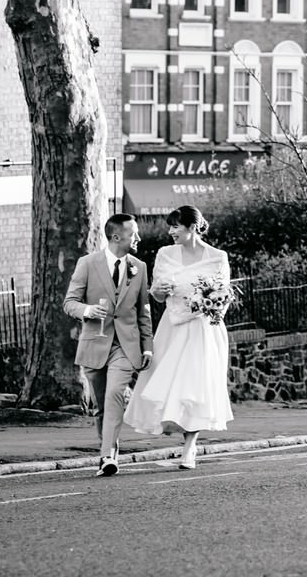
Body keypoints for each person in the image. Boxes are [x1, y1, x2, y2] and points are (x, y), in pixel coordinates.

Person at [124, 205, 235, 469]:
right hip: (173, 328)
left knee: (195, 387)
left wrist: (209, 304)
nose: (171, 232)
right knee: (169, 385)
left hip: (203, 330)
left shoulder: (217, 257)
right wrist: (158, 290)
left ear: (192, 227)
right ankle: (176, 431)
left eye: (176, 226)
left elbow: (224, 296)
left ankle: (189, 448)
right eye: (170, 227)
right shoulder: (165, 254)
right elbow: (158, 294)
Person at [62, 212, 153, 478]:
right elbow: (69, 302)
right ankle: (108, 446)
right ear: (116, 236)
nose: (137, 237)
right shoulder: (87, 264)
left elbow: (143, 311)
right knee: (102, 405)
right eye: (133, 233)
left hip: (126, 347)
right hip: (95, 344)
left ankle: (108, 455)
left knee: (115, 394)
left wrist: (147, 347)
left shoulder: (140, 267)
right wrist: (87, 310)